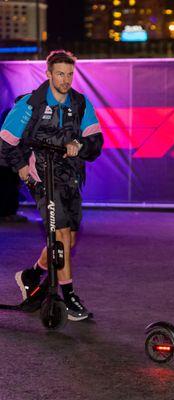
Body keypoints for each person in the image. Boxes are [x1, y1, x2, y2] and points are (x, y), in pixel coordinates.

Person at [0, 50, 104, 320]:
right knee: (59, 235)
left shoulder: (80, 103)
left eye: (70, 74)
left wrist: (78, 145)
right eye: (60, 73)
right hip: (41, 176)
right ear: (48, 74)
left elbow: (95, 143)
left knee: (69, 240)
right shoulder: (30, 104)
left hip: (70, 176)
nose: (65, 79)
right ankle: (68, 296)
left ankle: (31, 274)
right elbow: (6, 142)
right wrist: (22, 167)